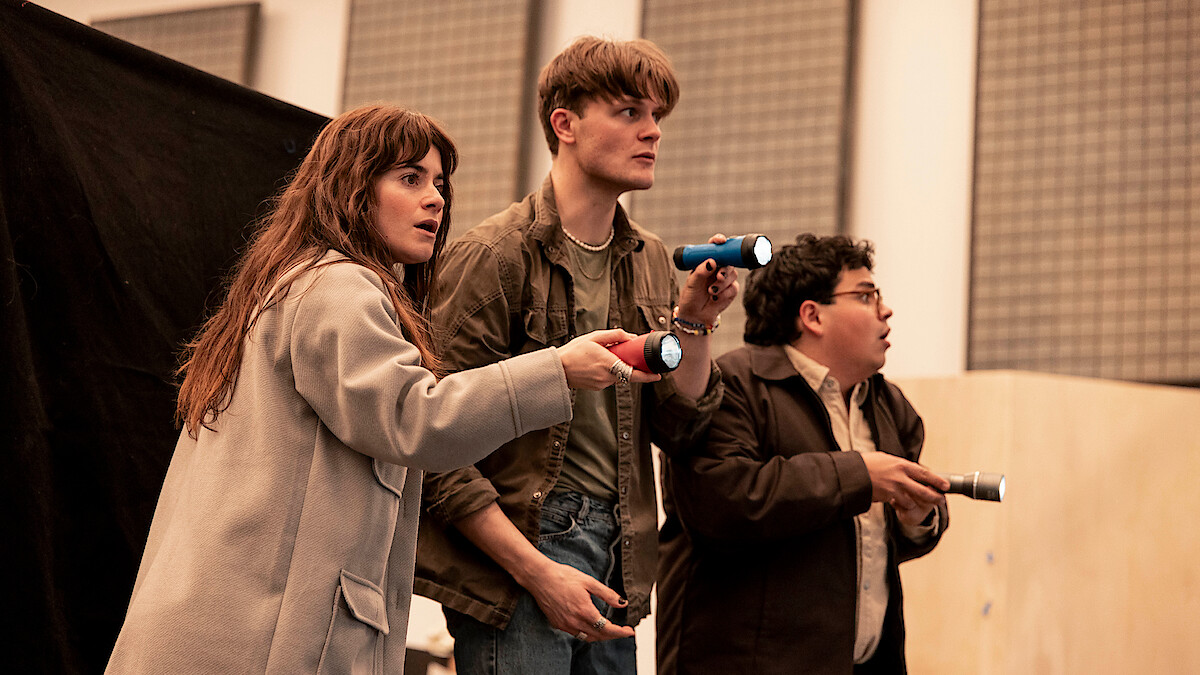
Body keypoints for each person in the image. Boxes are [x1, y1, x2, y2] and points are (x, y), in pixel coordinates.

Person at [104, 104, 650, 674]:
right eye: (410, 177)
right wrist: (558, 370)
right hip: (261, 645)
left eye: (438, 182)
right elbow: (416, 419)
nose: (436, 198)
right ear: (350, 189)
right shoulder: (337, 288)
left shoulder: (296, 284)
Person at [414, 37, 738, 674]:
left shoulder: (649, 257)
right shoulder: (495, 255)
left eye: (657, 117)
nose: (653, 132)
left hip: (620, 547)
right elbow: (435, 446)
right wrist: (537, 572)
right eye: (629, 112)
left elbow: (679, 427)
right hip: (522, 549)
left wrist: (696, 324)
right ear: (565, 123)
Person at [657, 234, 951, 675]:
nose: (885, 310)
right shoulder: (733, 384)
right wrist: (860, 475)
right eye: (866, 296)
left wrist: (919, 518)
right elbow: (721, 502)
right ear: (812, 315)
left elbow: (872, 548)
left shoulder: (888, 404)